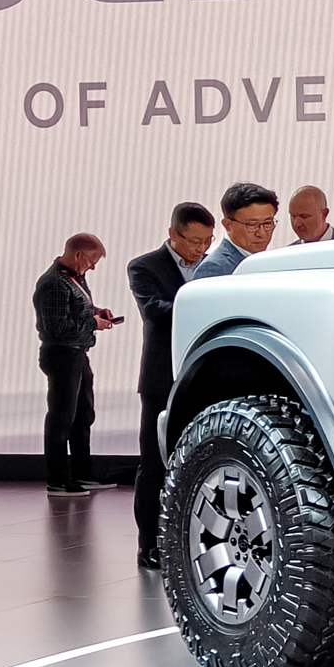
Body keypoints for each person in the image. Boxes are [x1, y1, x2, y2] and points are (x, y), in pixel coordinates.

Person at [126, 203, 215, 566]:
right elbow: (154, 310)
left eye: (207, 241)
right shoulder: (144, 266)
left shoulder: (215, 266)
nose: (201, 249)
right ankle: (148, 544)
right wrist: (205, 305)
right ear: (173, 234)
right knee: (154, 464)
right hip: (161, 379)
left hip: (205, 376)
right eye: (194, 241)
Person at [33, 234, 119, 496]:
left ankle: (82, 473)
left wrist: (95, 312)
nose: (92, 267)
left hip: (77, 353)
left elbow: (73, 310)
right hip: (62, 355)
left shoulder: (73, 278)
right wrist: (93, 323)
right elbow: (56, 327)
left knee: (82, 416)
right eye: (92, 261)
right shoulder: (54, 282)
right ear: (78, 254)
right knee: (62, 418)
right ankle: (58, 479)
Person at [195, 182, 279, 278]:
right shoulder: (214, 268)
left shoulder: (272, 263)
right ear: (228, 225)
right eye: (252, 225)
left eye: (267, 223)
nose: (262, 233)